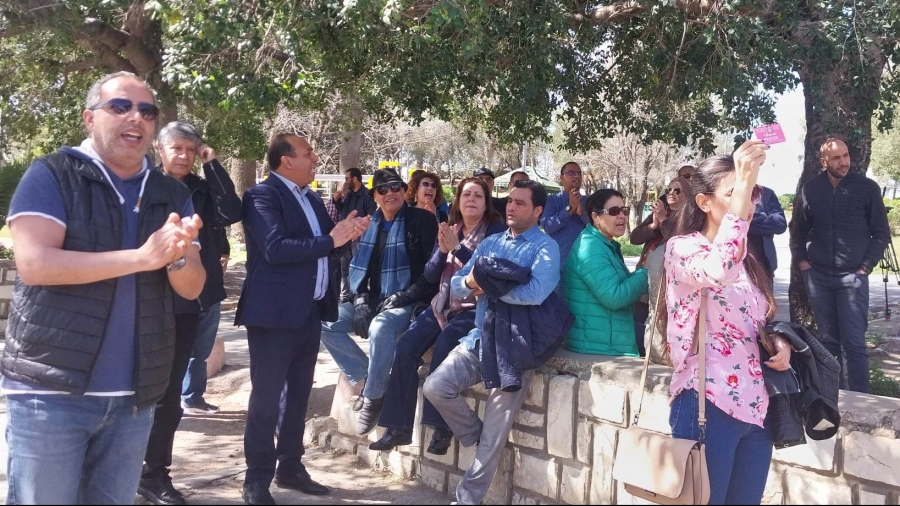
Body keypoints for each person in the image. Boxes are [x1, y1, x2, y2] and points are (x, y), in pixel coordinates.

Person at [2, 71, 206, 505]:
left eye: (147, 111)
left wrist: (179, 256)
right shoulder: (52, 174)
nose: (136, 117)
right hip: (51, 395)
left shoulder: (171, 193)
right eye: (121, 106)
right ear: (89, 118)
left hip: (133, 402)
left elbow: (192, 288)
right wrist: (143, 257)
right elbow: (36, 265)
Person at [236, 133, 370, 505]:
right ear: (285, 161)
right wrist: (332, 240)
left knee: (297, 396)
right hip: (273, 316)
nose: (315, 157)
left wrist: (345, 235)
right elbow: (276, 249)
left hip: (309, 314)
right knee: (265, 400)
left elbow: (325, 245)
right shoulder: (261, 196)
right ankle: (256, 479)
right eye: (308, 152)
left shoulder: (311, 197)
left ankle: (290, 467)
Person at [661, 141, 792, 504]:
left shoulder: (748, 260)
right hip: (707, 402)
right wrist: (746, 180)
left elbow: (758, 321)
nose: (749, 203)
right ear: (704, 203)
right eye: (737, 193)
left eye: (753, 194)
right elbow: (717, 270)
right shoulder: (683, 249)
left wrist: (778, 343)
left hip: (756, 407)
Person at [424, 179, 560, 506]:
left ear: (538, 210)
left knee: (492, 443)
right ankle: (479, 436)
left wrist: (492, 288)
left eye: (520, 203)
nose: (511, 207)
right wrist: (472, 281)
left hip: (514, 349)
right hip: (478, 339)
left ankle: (467, 499)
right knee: (435, 386)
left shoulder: (545, 247)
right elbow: (458, 285)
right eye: (510, 201)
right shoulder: (491, 243)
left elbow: (537, 292)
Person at [139, 122, 242, 505]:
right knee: (134, 389)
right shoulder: (141, 184)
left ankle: (154, 474)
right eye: (176, 148)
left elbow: (231, 212)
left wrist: (212, 164)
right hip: (145, 298)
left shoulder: (201, 188)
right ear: (161, 150)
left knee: (169, 395)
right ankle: (121, 467)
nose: (183, 155)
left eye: (190, 149)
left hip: (189, 299)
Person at [369, 177, 505, 455]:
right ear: (457, 200)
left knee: (444, 345)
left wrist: (457, 248)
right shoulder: (449, 228)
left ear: (486, 202)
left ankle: (440, 428)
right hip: (442, 303)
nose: (471, 200)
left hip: (475, 309)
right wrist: (442, 251)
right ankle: (398, 427)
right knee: (406, 345)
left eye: (478, 196)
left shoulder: (495, 232)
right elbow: (431, 275)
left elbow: (488, 271)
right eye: (466, 194)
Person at [320, 169, 439, 436]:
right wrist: (360, 300)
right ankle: (366, 378)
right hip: (374, 300)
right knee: (325, 321)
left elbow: (432, 272)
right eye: (383, 189)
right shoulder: (368, 224)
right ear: (374, 195)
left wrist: (404, 297)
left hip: (410, 301)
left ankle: (373, 399)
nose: (390, 194)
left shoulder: (421, 220)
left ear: (404, 191)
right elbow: (357, 267)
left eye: (395, 187)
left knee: (380, 328)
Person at [792, 137, 891, 394]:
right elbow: (799, 231)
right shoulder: (811, 189)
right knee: (828, 342)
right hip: (819, 277)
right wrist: (803, 263)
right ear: (823, 162)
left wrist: (865, 267)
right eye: (836, 158)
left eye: (845, 155)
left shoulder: (866, 188)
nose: (844, 162)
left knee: (855, 344)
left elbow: (881, 233)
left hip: (852, 278)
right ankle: (832, 398)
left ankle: (860, 401)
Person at [564, 189, 648, 356]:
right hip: (596, 344)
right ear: (596, 217)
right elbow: (614, 297)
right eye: (614, 211)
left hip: (607, 336)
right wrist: (646, 273)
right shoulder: (590, 248)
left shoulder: (604, 244)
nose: (622, 216)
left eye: (624, 211)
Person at [630, 177, 687, 358]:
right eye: (669, 189)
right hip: (646, 276)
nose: (671, 193)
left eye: (677, 191)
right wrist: (654, 224)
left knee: (662, 324)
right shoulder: (663, 210)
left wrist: (663, 219)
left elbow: (678, 243)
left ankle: (662, 356)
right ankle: (643, 353)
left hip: (668, 283)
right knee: (641, 319)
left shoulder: (690, 216)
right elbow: (634, 238)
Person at [333, 167, 377, 302]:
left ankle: (357, 296)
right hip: (345, 238)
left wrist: (360, 229)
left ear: (355, 179)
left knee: (357, 268)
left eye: (347, 178)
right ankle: (345, 298)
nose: (345, 182)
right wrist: (338, 199)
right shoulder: (350, 194)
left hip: (358, 239)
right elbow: (342, 211)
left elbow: (372, 215)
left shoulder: (367, 195)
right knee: (344, 270)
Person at [540, 162, 588, 278]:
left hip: (585, 266)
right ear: (561, 178)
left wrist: (582, 213)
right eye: (571, 172)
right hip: (559, 266)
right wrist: (569, 210)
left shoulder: (588, 201)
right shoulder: (551, 200)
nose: (576, 176)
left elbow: (597, 227)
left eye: (579, 173)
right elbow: (547, 226)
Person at [747, 185, 787, 284]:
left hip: (764, 267)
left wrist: (748, 221)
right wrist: (763, 216)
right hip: (733, 269)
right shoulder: (722, 192)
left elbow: (779, 224)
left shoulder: (766, 193)